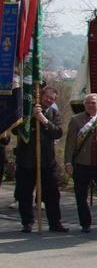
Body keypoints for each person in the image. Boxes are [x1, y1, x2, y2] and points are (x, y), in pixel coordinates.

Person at [14, 85, 66, 232]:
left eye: (52, 99)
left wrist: (43, 119)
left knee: (52, 194)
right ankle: (27, 222)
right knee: (25, 194)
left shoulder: (54, 113)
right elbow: (14, 130)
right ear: (40, 96)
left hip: (47, 161)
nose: (49, 100)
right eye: (47, 97)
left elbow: (58, 133)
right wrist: (29, 117)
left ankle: (55, 223)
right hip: (27, 160)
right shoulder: (26, 111)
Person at [64, 92, 97, 233]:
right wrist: (68, 163)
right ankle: (85, 224)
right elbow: (70, 143)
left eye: (93, 103)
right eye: (87, 102)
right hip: (82, 164)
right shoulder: (76, 120)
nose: (90, 105)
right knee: (81, 196)